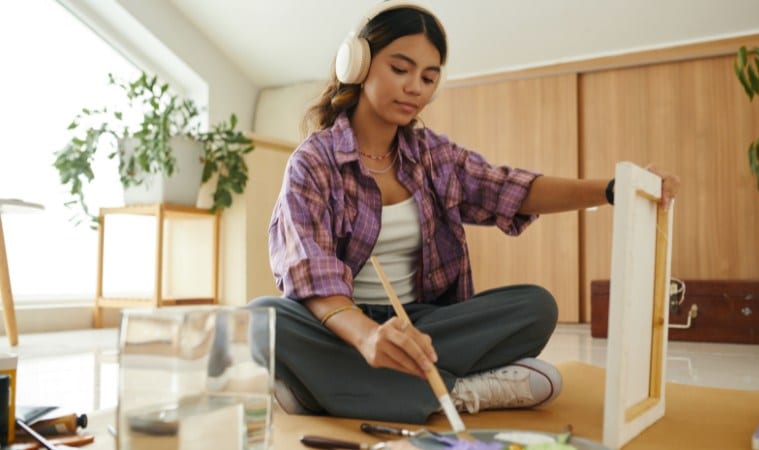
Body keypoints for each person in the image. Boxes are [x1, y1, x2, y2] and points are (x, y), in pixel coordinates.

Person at [249, 0, 679, 424]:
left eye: (428, 77)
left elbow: (512, 189)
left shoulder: (433, 155)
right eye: (400, 69)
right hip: (341, 327)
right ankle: (457, 392)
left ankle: (317, 391)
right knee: (260, 320)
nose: (415, 87)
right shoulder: (313, 162)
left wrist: (611, 189)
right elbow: (309, 271)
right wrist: (368, 338)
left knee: (537, 306)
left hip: (422, 326)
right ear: (358, 67)